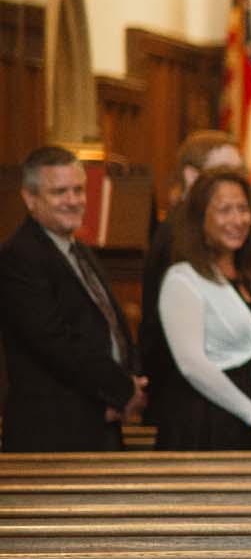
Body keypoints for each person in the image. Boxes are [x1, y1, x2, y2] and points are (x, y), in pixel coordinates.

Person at [0, 146, 145, 452]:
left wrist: (131, 381)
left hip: (100, 418)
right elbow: (55, 342)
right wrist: (121, 389)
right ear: (30, 198)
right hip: (54, 432)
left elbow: (108, 322)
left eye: (79, 190)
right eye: (59, 192)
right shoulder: (19, 257)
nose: (73, 201)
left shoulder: (78, 249)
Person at [155, 167, 251, 451]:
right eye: (225, 210)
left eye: (243, 209)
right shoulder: (183, 279)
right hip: (210, 424)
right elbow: (192, 365)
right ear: (200, 218)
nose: (238, 220)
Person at [139, 131, 242, 425]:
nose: (234, 183)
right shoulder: (179, 234)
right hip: (186, 398)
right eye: (223, 172)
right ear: (191, 175)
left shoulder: (198, 229)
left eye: (238, 172)